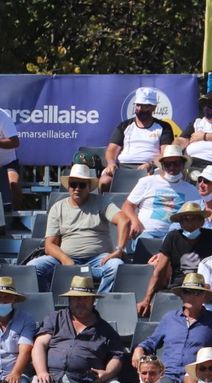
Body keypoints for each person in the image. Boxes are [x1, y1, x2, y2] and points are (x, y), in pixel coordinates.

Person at [27, 163, 128, 293]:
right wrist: (66, 259)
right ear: (68, 186)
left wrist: (119, 249)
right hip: (63, 259)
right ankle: (49, 302)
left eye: (82, 185)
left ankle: (99, 304)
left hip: (98, 260)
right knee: (33, 267)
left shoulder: (102, 202)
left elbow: (124, 220)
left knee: (116, 266)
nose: (77, 189)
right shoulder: (58, 207)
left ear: (89, 187)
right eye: (73, 184)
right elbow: (49, 245)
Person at [32, 275, 126, 383]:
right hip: (51, 380)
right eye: (76, 298)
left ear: (93, 300)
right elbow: (40, 344)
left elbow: (117, 356)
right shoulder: (55, 318)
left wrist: (107, 373)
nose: (80, 302)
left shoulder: (105, 329)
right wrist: (41, 371)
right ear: (69, 299)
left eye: (85, 298)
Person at [133, 272, 212, 383]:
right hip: (167, 376)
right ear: (182, 295)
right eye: (187, 292)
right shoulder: (169, 319)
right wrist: (139, 349)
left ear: (204, 296)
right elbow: (151, 342)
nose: (191, 296)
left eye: (196, 293)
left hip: (198, 378)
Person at [138, 201, 212, 316]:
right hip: (178, 288)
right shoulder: (172, 237)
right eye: (185, 219)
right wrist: (147, 299)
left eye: (193, 218)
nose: (189, 222)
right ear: (180, 222)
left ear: (201, 221)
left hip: (205, 287)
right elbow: (159, 270)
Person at [101, 87, 174, 191]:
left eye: (144, 106)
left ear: (153, 107)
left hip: (150, 168)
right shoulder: (124, 126)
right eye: (138, 105)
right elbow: (111, 149)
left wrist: (150, 165)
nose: (140, 109)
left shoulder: (163, 127)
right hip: (122, 167)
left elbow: (165, 153)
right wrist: (111, 163)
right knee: (104, 181)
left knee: (153, 181)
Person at [121, 145, 193, 243]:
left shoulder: (191, 190)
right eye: (168, 164)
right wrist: (134, 221)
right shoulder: (147, 182)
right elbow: (127, 206)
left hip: (175, 237)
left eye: (176, 163)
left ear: (183, 165)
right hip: (147, 233)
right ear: (162, 165)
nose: (172, 167)